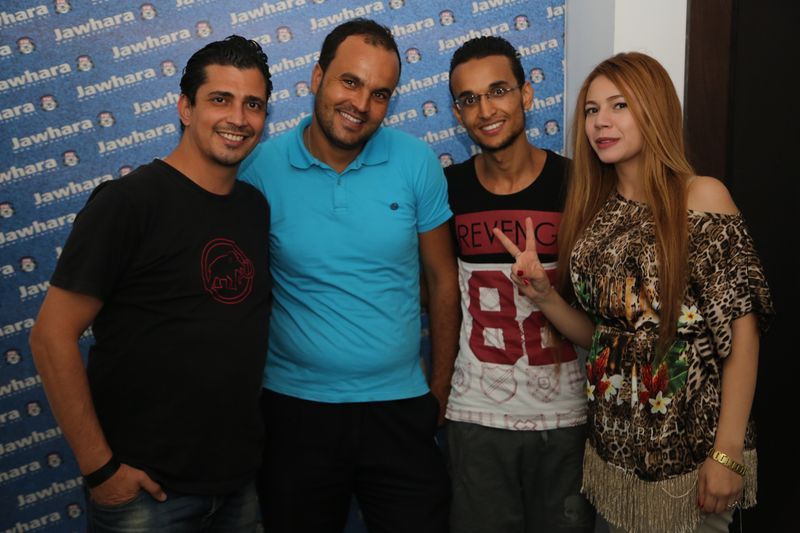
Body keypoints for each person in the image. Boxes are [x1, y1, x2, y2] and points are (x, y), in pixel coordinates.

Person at [492, 52, 774, 533]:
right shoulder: (597, 211)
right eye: (592, 109)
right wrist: (544, 296)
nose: (600, 121)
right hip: (614, 457)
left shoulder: (701, 197)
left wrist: (727, 454)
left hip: (691, 459)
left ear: (654, 110)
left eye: (619, 105)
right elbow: (604, 337)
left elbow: (742, 335)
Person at [29, 35, 273, 532]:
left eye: (253, 104)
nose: (238, 118)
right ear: (185, 108)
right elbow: (50, 336)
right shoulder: (128, 203)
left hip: (239, 486)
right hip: (146, 495)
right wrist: (101, 471)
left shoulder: (253, 207)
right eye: (220, 99)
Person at [238, 18, 459, 533]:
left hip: (400, 408)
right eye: (350, 82)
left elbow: (443, 279)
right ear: (317, 77)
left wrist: (440, 388)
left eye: (380, 94)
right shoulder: (260, 168)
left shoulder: (416, 162)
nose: (361, 104)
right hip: (295, 412)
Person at [444, 36, 595, 533]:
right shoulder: (448, 189)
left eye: (498, 91)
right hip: (477, 417)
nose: (486, 109)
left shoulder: (577, 184)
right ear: (457, 113)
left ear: (526, 94)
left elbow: (605, 318)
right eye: (469, 99)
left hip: (566, 419)